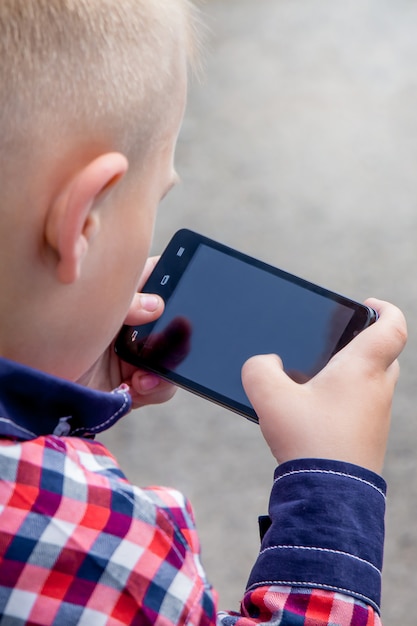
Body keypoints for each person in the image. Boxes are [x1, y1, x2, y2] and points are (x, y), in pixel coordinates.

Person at [0, 1, 407, 624]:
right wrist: (334, 482)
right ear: (84, 220)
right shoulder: (102, 546)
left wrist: (59, 394)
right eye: (156, 194)